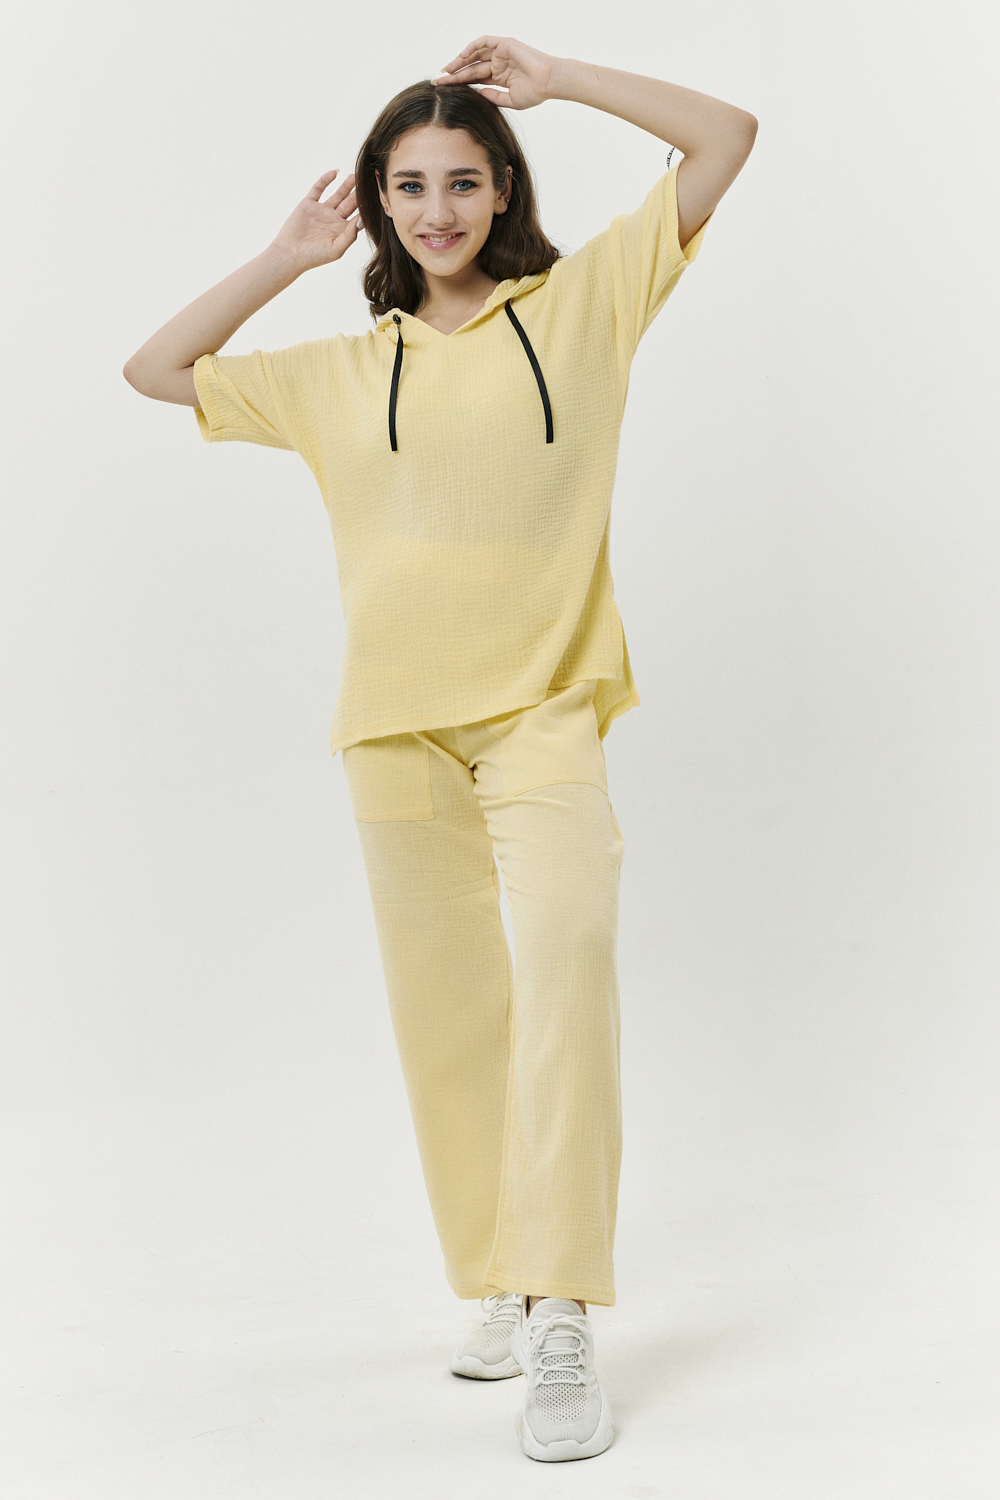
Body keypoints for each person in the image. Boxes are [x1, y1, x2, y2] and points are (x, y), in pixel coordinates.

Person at [123, 34, 757, 1463]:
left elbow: (726, 137)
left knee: (568, 963)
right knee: (451, 1022)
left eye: (462, 181)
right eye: (406, 186)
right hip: (393, 734)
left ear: (503, 187)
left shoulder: (584, 306)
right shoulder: (343, 373)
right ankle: (503, 1283)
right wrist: (286, 255)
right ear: (377, 201)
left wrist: (564, 76)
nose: (436, 210)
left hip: (545, 714)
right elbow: (154, 368)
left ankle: (564, 1307)